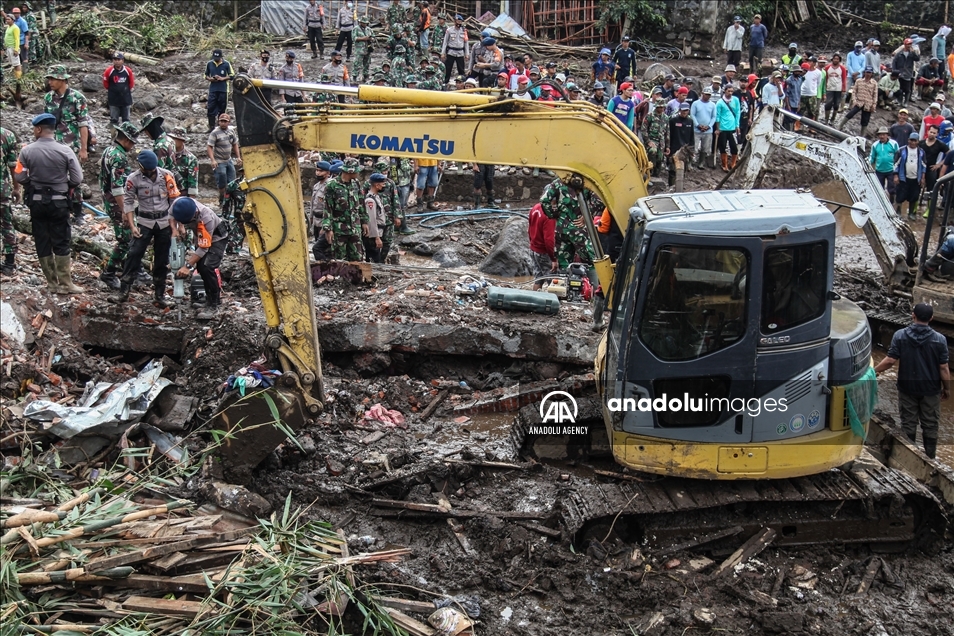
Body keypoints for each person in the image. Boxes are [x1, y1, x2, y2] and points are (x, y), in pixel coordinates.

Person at [13, 114, 83, 293]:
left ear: (38, 129)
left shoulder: (26, 151)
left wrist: (32, 185)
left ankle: (52, 283)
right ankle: (66, 284)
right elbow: (77, 178)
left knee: (42, 240)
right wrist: (64, 186)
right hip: (59, 202)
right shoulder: (66, 150)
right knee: (61, 240)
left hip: (36, 202)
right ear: (53, 129)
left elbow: (19, 176)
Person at [874, 303, 949, 459]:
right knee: (930, 425)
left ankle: (909, 458)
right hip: (930, 389)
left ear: (913, 315)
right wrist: (946, 388)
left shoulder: (900, 335)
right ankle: (930, 459)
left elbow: (890, 361)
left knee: (908, 424)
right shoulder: (940, 340)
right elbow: (943, 368)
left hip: (907, 388)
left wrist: (874, 371)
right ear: (931, 318)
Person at [108, 150, 178, 307]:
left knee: (162, 259)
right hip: (144, 222)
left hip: (164, 222)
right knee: (133, 255)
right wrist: (132, 226)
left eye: (152, 170)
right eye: (147, 170)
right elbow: (128, 202)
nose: (150, 173)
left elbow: (174, 201)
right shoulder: (133, 179)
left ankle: (160, 295)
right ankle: (124, 292)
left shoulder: (167, 175)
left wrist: (175, 227)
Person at [42, 65, 88, 224]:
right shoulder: (48, 98)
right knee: (52, 177)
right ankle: (58, 210)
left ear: (62, 79)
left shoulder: (77, 98)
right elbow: (45, 122)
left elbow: (83, 124)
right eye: (49, 79)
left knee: (75, 179)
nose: (50, 82)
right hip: (51, 144)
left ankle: (78, 211)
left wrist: (83, 149)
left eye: (53, 78)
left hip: (71, 145)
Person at [98, 121, 139, 290]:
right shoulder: (119, 157)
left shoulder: (109, 150)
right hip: (116, 202)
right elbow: (117, 188)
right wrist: (125, 210)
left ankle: (130, 271)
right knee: (125, 239)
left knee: (127, 238)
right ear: (127, 140)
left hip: (108, 199)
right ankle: (110, 272)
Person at [170, 197, 226, 320]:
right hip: (200, 236)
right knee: (201, 266)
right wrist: (176, 228)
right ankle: (208, 300)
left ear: (194, 215)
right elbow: (170, 215)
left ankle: (214, 305)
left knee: (207, 267)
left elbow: (203, 248)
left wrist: (187, 266)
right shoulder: (178, 203)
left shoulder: (206, 218)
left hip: (217, 238)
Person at [540, 176, 597, 271]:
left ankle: (566, 283)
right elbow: (599, 200)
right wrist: (587, 216)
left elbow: (544, 200)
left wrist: (554, 214)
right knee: (591, 262)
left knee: (563, 263)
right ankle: (594, 285)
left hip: (562, 229)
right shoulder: (585, 181)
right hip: (579, 229)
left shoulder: (558, 182)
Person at [322, 157, 365, 261]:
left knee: (358, 258)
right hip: (339, 229)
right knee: (340, 259)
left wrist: (364, 221)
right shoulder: (332, 185)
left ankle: (355, 277)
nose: (358, 173)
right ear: (350, 171)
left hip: (355, 228)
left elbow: (361, 203)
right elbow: (328, 208)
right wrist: (328, 229)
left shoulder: (356, 183)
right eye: (357, 171)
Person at [207, 113, 242, 206]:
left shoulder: (231, 132)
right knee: (222, 180)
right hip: (219, 161)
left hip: (228, 160)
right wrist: (212, 160)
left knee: (233, 181)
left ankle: (232, 200)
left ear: (228, 122)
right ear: (218, 122)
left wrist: (238, 157)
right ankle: (222, 200)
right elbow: (209, 146)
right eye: (221, 121)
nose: (223, 123)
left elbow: (235, 144)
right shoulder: (215, 132)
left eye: (225, 121)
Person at [0, 125, 18, 275]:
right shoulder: (7, 135)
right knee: (6, 224)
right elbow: (14, 166)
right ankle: (9, 263)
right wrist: (17, 188)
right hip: (2, 189)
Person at [838, 67, 877, 136]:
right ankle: (839, 126)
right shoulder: (859, 81)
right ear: (864, 73)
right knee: (850, 114)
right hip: (859, 102)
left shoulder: (874, 83)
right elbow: (854, 91)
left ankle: (862, 135)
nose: (868, 74)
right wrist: (854, 100)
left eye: (869, 73)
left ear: (871, 74)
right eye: (867, 72)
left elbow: (875, 95)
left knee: (865, 120)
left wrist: (874, 105)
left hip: (868, 103)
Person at [895, 132, 925, 219]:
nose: (913, 142)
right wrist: (896, 175)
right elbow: (896, 164)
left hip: (916, 178)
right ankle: (898, 212)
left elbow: (924, 165)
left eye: (915, 141)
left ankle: (911, 213)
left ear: (918, 142)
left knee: (914, 196)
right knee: (900, 195)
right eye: (911, 140)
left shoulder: (921, 152)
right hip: (903, 178)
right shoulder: (901, 151)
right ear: (908, 140)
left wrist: (923, 177)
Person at [528, 202, 556, 290]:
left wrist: (532, 243)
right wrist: (553, 259)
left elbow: (529, 229)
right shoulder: (549, 215)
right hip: (544, 252)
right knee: (554, 283)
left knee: (538, 279)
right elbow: (549, 239)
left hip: (534, 249)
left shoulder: (535, 207)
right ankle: (554, 302)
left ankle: (534, 301)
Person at [101, 52, 134, 125]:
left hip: (125, 98)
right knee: (114, 120)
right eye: (115, 59)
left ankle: (126, 135)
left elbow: (131, 83)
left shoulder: (128, 71)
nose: (117, 61)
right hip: (113, 99)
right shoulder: (108, 71)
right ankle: (114, 135)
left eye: (118, 59)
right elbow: (106, 84)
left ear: (122, 60)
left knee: (126, 120)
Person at [204, 50, 233, 132]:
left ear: (221, 57)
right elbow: (205, 75)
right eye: (214, 58)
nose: (216, 59)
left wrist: (222, 78)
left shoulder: (226, 64)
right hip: (213, 89)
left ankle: (221, 127)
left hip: (223, 89)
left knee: (222, 109)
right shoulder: (210, 64)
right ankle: (211, 127)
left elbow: (232, 75)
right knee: (210, 108)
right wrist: (210, 79)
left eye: (217, 58)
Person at [919, 124, 948, 206]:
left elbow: (949, 154)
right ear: (928, 132)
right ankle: (914, 208)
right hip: (920, 168)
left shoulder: (939, 144)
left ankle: (929, 208)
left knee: (931, 189)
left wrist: (939, 164)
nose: (932, 134)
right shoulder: (921, 143)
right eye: (931, 132)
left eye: (934, 133)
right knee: (917, 187)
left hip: (932, 168)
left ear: (937, 134)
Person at [869, 126, 899, 200]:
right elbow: (872, 157)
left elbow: (898, 156)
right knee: (879, 189)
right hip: (879, 170)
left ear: (887, 135)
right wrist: (868, 165)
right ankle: (881, 203)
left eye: (884, 134)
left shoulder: (894, 144)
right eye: (880, 134)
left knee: (892, 189)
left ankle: (892, 204)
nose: (882, 136)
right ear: (878, 135)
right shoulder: (875, 145)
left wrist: (897, 170)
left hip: (891, 170)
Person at [715, 85, 740, 171]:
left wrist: (737, 125)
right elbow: (717, 116)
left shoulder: (735, 100)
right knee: (723, 147)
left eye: (731, 91)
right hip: (723, 128)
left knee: (734, 147)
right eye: (728, 91)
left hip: (732, 128)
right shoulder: (720, 103)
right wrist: (718, 128)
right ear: (724, 91)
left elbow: (737, 113)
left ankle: (733, 164)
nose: (730, 93)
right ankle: (724, 164)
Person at [690, 86, 716, 169]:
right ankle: (691, 162)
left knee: (705, 148)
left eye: (709, 95)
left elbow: (714, 117)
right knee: (694, 147)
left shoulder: (712, 105)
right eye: (706, 94)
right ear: (702, 94)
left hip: (707, 130)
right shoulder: (695, 103)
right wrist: (697, 125)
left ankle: (701, 162)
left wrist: (709, 126)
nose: (707, 96)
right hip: (696, 129)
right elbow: (692, 115)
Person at [642, 99, 669, 177]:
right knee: (652, 152)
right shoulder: (649, 116)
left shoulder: (666, 118)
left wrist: (667, 146)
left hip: (661, 142)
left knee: (660, 158)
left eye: (662, 107)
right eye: (659, 107)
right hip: (651, 140)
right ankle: (648, 173)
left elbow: (667, 132)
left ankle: (656, 174)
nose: (661, 109)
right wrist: (648, 141)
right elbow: (644, 129)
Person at [168, 126, 198, 198]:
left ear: (182, 140)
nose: (172, 140)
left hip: (181, 194)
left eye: (175, 139)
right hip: (167, 192)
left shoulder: (191, 158)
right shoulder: (166, 154)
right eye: (171, 138)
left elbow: (193, 180)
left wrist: (191, 199)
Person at [668, 102, 694, 182]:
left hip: (685, 149)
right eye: (683, 110)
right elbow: (669, 135)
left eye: (686, 110)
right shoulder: (673, 121)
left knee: (683, 169)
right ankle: (671, 186)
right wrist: (668, 147)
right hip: (674, 148)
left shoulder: (690, 121)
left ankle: (680, 187)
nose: (685, 112)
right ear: (679, 110)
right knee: (672, 169)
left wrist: (692, 150)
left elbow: (692, 136)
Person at [441, 14, 469, 85]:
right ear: (455, 21)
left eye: (460, 21)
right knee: (448, 68)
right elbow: (445, 42)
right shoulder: (449, 30)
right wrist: (443, 53)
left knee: (461, 69)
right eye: (458, 21)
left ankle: (462, 82)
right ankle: (446, 82)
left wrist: (467, 54)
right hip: (451, 52)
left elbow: (466, 42)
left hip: (460, 52)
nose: (459, 23)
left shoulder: (464, 31)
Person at [892, 38, 919, 106]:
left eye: (910, 44)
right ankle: (900, 100)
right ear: (904, 44)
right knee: (899, 88)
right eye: (908, 44)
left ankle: (906, 102)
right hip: (900, 72)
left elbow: (917, 59)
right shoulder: (899, 53)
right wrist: (894, 71)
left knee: (907, 89)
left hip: (908, 72)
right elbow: (894, 62)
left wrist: (913, 53)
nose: (909, 46)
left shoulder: (912, 53)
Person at [822, 54, 847, 126]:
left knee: (836, 104)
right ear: (832, 59)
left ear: (839, 60)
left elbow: (844, 79)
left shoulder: (842, 68)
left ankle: (832, 119)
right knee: (828, 104)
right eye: (834, 58)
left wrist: (843, 89)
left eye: (837, 59)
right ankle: (826, 119)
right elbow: (825, 78)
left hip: (838, 89)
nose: (836, 60)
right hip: (829, 88)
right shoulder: (827, 68)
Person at [3, 14, 21, 79]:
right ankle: (16, 76)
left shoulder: (15, 28)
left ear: (13, 20)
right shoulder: (8, 27)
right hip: (8, 47)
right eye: (6, 19)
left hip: (13, 48)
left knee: (17, 64)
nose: (7, 21)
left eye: (8, 19)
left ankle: (19, 78)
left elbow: (17, 39)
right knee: (13, 64)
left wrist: (16, 49)